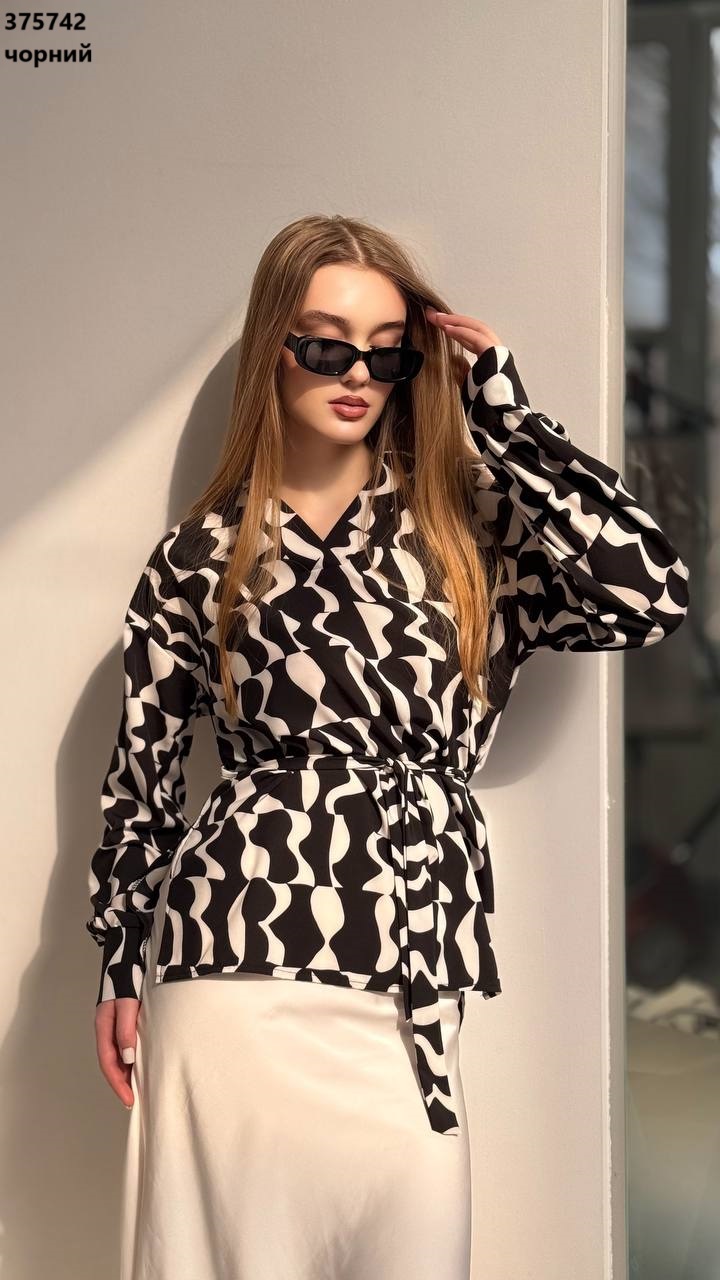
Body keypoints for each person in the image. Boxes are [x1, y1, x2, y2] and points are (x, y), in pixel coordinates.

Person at [86, 213, 690, 1280]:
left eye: (386, 350)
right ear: (274, 348)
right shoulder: (200, 554)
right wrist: (118, 960)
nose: (357, 373)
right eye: (325, 345)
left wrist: (504, 415)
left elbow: (648, 593)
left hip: (408, 965)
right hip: (231, 965)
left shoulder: (469, 530)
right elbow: (143, 778)